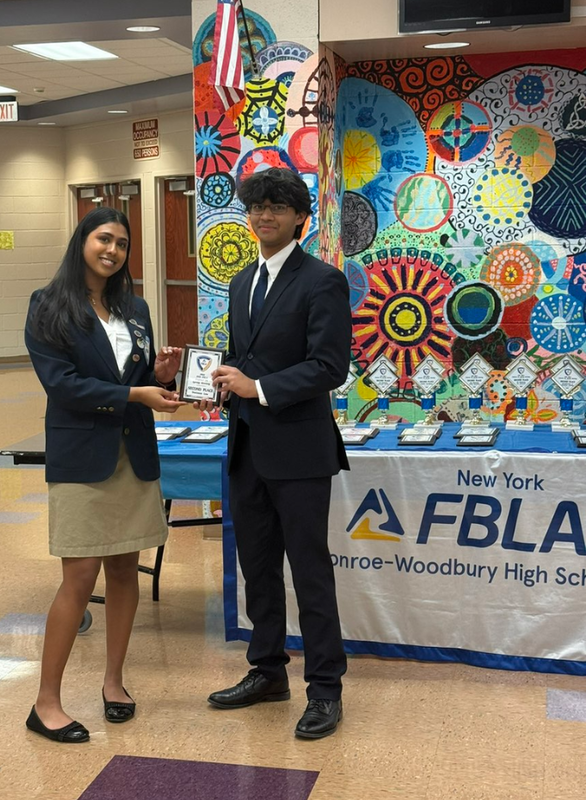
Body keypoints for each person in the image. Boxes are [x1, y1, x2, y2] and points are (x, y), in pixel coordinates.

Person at [24, 207, 184, 743]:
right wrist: (135, 393)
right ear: (82, 242)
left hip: (131, 454)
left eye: (121, 243)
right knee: (78, 577)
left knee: (123, 570)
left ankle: (114, 682)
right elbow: (62, 385)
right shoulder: (49, 305)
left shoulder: (134, 307)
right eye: (103, 239)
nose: (112, 250)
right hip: (82, 460)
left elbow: (133, 376)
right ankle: (45, 702)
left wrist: (155, 377)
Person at [204, 169, 352, 739]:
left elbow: (327, 366)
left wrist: (256, 388)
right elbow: (245, 357)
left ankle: (325, 689)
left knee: (309, 571)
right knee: (257, 568)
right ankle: (267, 671)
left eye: (276, 207)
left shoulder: (322, 281)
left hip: (299, 450)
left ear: (298, 217)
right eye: (256, 207)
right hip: (246, 446)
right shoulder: (243, 281)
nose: (263, 215)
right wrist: (217, 381)